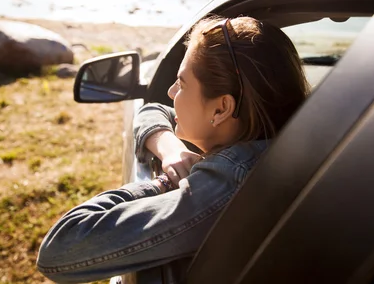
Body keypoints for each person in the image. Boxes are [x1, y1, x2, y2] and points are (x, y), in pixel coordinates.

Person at [37, 16, 311, 283]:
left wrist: (163, 183)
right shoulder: (290, 142)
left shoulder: (224, 186)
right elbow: (154, 110)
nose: (170, 91)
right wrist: (169, 149)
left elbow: (59, 249)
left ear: (221, 108)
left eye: (181, 84)